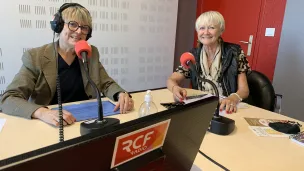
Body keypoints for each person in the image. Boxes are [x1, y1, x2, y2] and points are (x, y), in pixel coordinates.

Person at [0, 3, 134, 126]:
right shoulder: (35, 57)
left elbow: (106, 83)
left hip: (85, 120)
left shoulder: (90, 52)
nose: (79, 31)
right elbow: (9, 98)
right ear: (58, 25)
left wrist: (120, 94)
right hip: (51, 124)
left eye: (84, 27)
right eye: (73, 24)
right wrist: (42, 112)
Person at [167, 11, 250, 113]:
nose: (206, 32)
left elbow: (244, 90)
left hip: (225, 107)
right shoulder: (192, 55)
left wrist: (232, 98)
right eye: (202, 28)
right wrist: (175, 88)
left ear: (221, 30)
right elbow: (171, 80)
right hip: (201, 106)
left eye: (211, 27)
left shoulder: (235, 52)